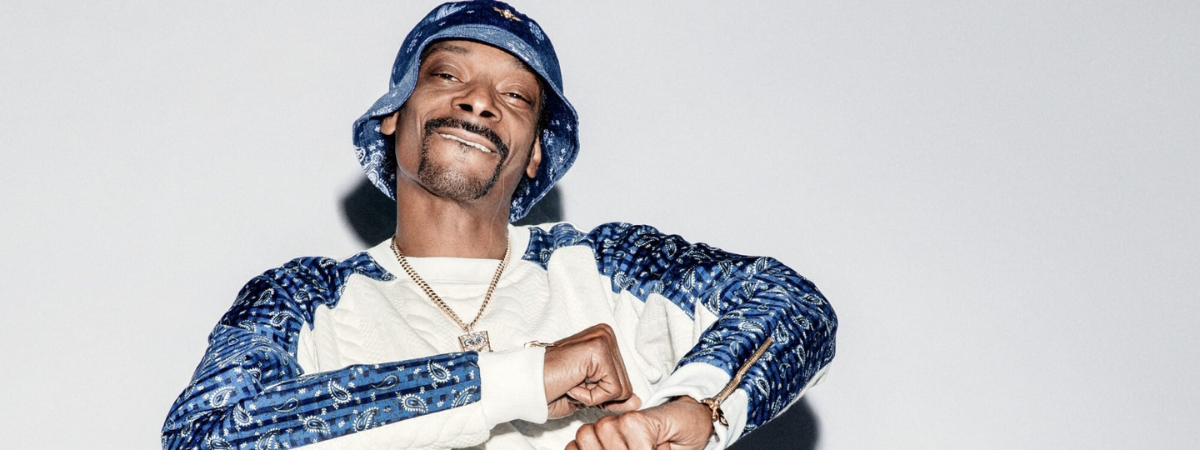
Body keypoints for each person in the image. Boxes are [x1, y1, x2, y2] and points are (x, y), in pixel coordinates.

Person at [161, 1, 837, 449]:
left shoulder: (606, 267)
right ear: (393, 114)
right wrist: (520, 379)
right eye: (447, 74)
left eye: (514, 96)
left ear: (536, 150)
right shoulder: (303, 299)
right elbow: (206, 435)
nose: (479, 101)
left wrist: (698, 407)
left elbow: (792, 304)